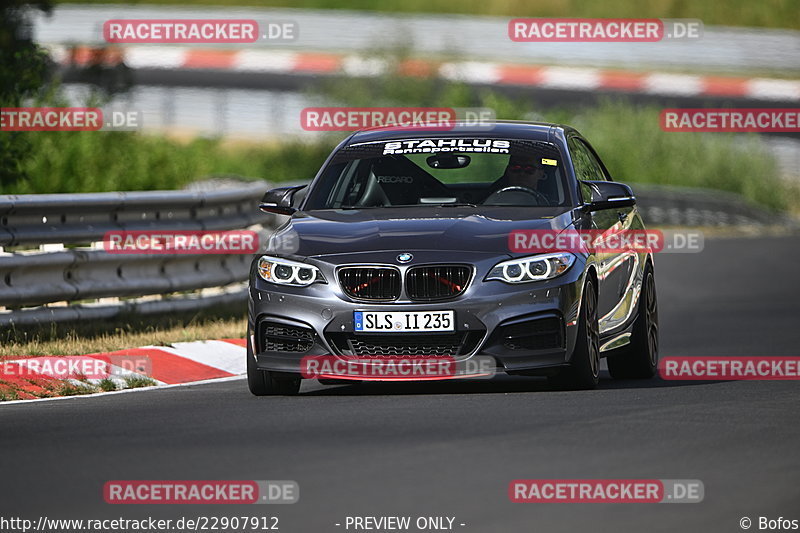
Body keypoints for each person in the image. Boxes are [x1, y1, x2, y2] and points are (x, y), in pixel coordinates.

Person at [483, 154, 550, 204]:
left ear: (541, 174)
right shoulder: (490, 201)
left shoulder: (554, 206)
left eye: (529, 169)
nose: (522, 173)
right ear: (508, 171)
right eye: (516, 168)